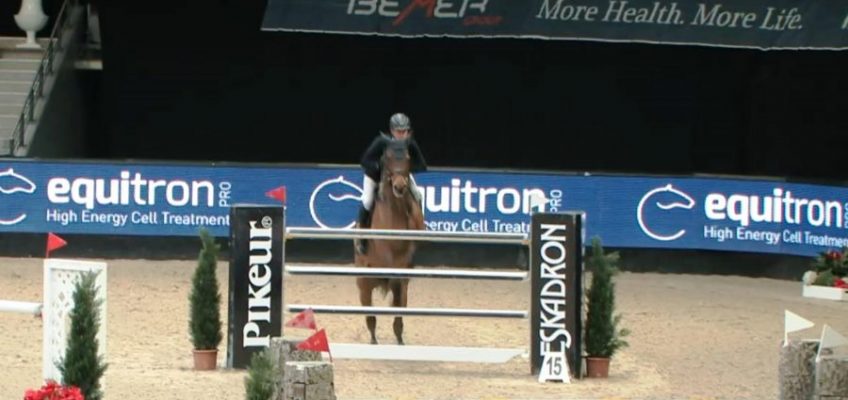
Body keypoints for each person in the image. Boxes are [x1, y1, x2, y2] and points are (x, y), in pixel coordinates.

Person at [355, 112, 428, 255]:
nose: (402, 134)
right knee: (367, 200)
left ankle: (420, 228)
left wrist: (404, 170)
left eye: (405, 131)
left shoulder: (410, 143)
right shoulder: (382, 142)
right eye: (399, 131)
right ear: (392, 130)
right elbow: (365, 160)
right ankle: (361, 235)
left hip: (400, 177)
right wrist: (381, 168)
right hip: (376, 175)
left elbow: (422, 165)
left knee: (419, 194)